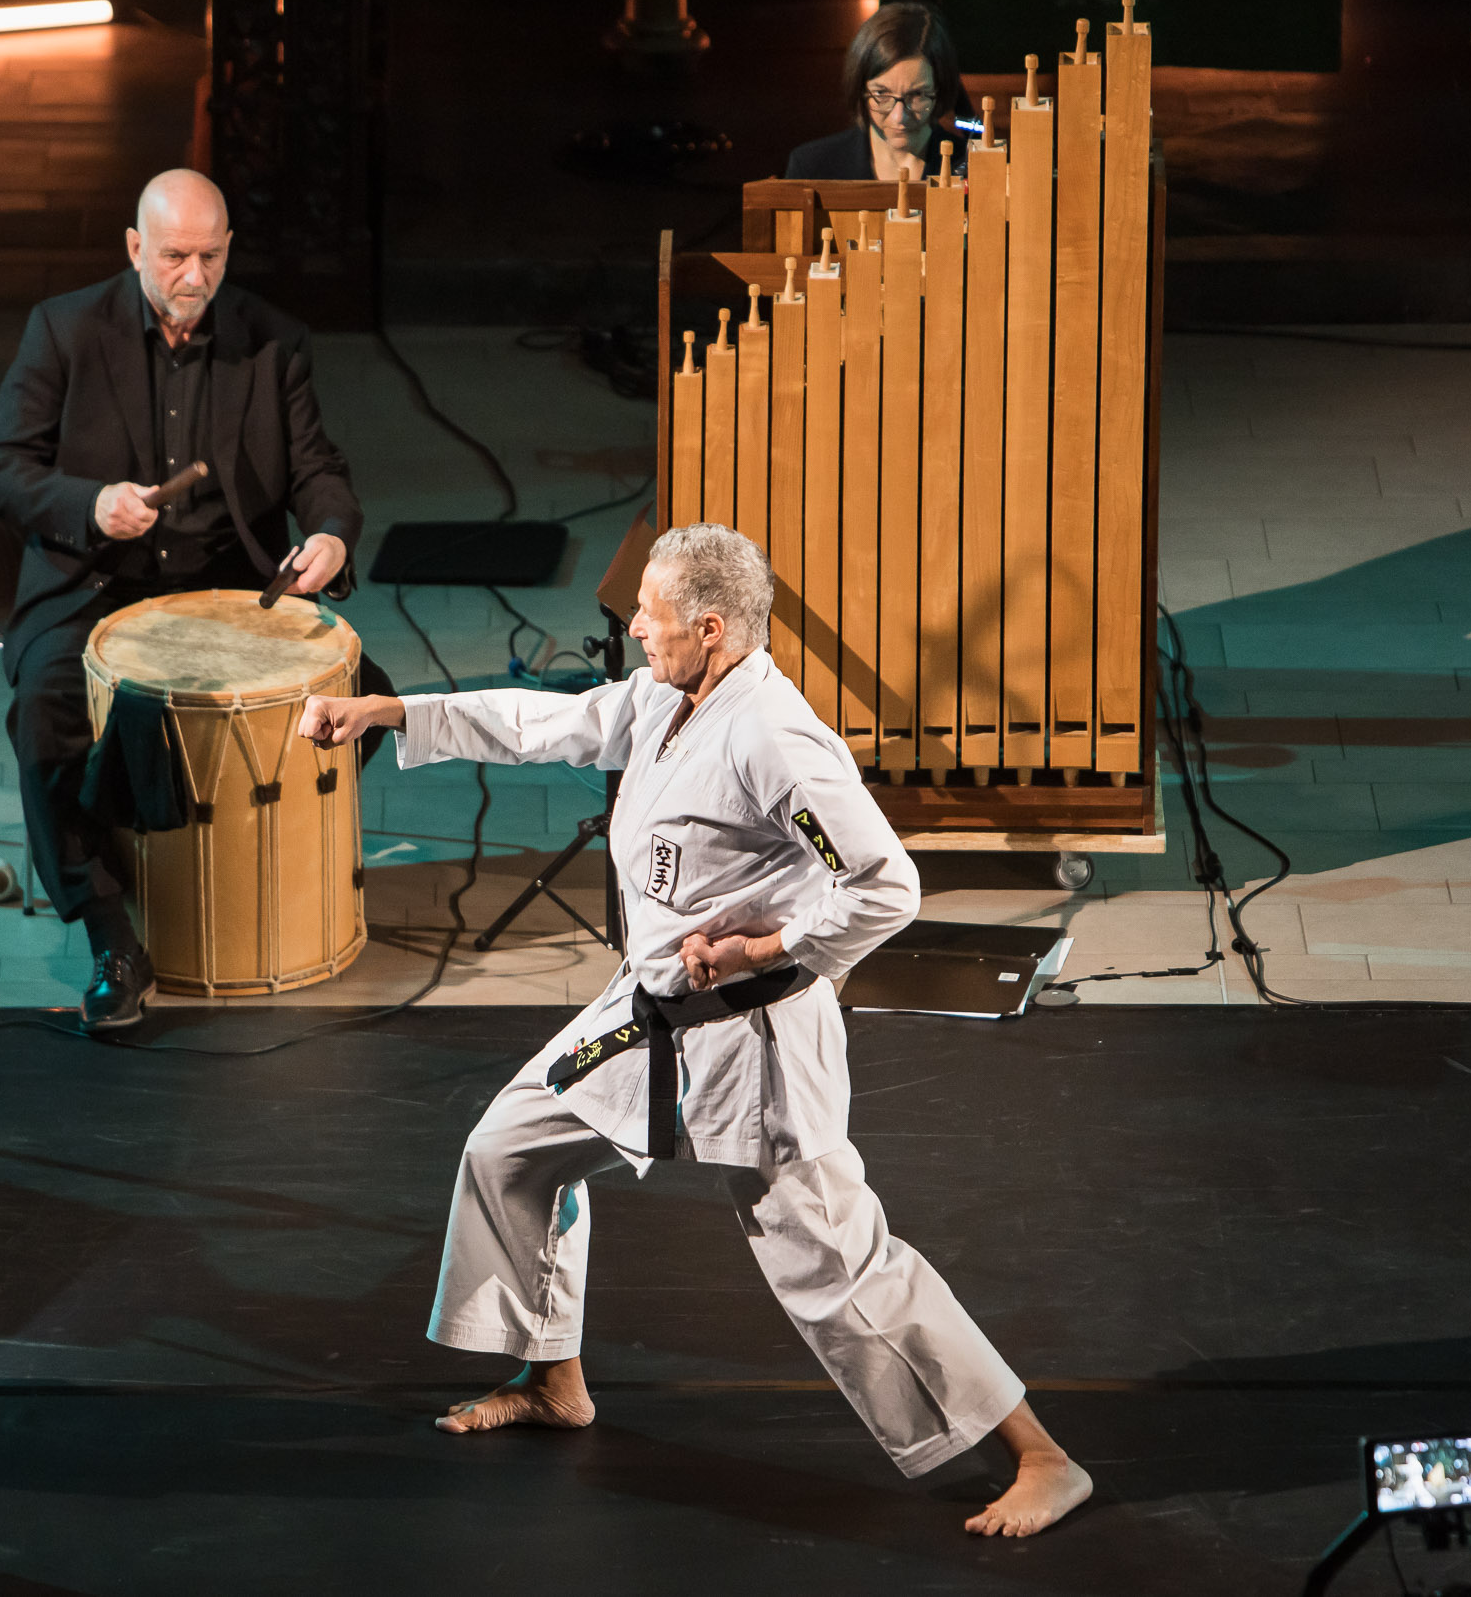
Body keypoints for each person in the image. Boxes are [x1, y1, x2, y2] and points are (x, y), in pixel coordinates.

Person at [296, 523, 1096, 1538]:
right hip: (648, 1013)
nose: (632, 626)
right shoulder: (666, 697)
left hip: (754, 1043)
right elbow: (545, 722)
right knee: (510, 1148)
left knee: (832, 1264)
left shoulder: (772, 737)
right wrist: (393, 708)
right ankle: (555, 1379)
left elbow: (886, 885)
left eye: (651, 614)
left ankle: (1042, 1455)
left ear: (711, 628)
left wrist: (771, 947)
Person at [0, 168, 362, 1031]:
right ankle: (110, 928)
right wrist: (89, 504)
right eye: (176, 256)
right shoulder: (66, 329)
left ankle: (244, 883)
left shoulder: (273, 340)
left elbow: (319, 471)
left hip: (224, 587)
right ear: (134, 248)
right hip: (92, 583)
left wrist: (330, 535)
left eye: (212, 256)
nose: (195, 277)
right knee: (44, 708)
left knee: (355, 692)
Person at [784, 1, 968, 183]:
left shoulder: (970, 167)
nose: (899, 118)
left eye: (917, 95)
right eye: (881, 94)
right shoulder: (812, 168)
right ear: (861, 88)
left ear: (940, 89)